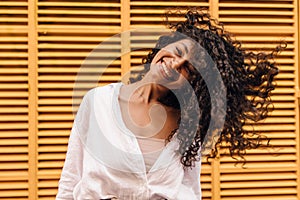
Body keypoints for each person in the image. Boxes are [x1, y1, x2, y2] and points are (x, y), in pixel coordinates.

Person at [56, 8, 285, 200]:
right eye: (179, 51)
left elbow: (190, 191)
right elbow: (70, 180)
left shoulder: (187, 126)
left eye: (189, 68)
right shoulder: (98, 102)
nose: (175, 64)